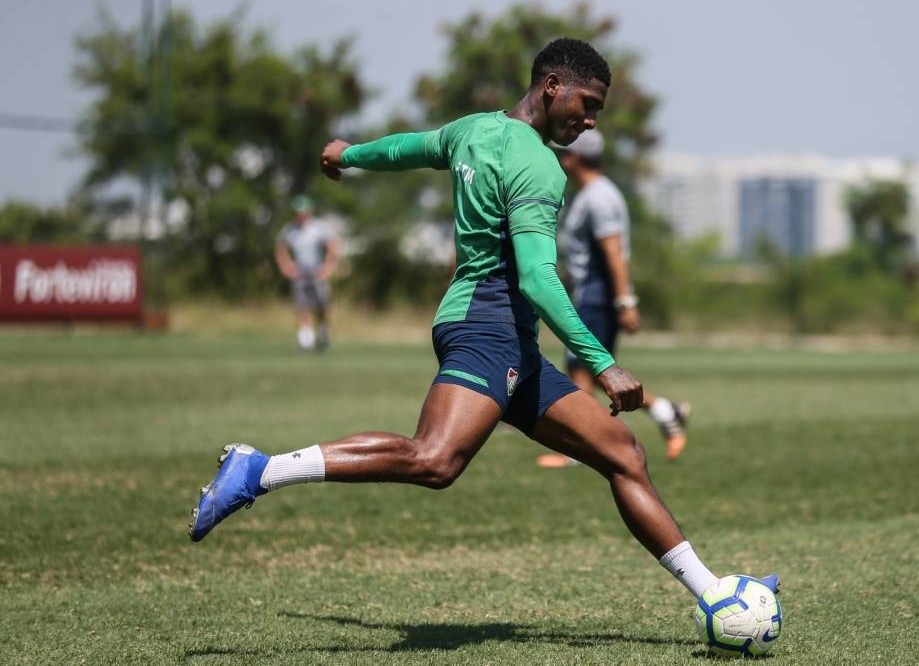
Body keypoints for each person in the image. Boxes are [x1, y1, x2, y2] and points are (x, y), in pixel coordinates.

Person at [188, 38, 776, 606]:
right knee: (435, 460)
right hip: (487, 325)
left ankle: (715, 593)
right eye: (588, 104)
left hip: (502, 332)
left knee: (623, 454)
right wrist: (604, 363)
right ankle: (261, 469)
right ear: (552, 86)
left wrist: (348, 154)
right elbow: (539, 280)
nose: (592, 121)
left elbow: (406, 149)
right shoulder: (540, 167)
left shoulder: (472, 129)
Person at [536, 129, 690, 469]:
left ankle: (578, 450)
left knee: (581, 369)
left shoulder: (598, 198)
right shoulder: (594, 193)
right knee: (591, 373)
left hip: (596, 294)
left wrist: (624, 301)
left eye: (564, 155)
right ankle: (666, 412)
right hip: (592, 293)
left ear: (574, 159)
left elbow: (613, 252)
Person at [274, 195, 340, 351]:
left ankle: (323, 334)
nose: (300, 215)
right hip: (300, 272)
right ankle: (306, 341)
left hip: (317, 271)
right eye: (298, 212)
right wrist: (287, 267)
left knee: (321, 306)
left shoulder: (319, 227)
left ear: (309, 211)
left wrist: (328, 267)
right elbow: (280, 248)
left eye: (303, 211)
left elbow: (333, 247)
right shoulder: (290, 229)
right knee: (301, 306)